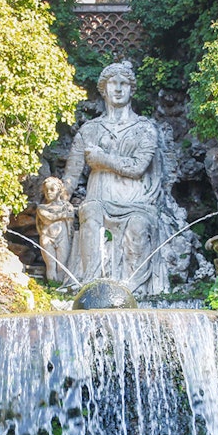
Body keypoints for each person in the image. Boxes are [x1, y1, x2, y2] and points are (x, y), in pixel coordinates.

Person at [62, 61, 175, 294]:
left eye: (124, 84)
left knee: (138, 226)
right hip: (99, 200)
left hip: (136, 204)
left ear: (131, 89)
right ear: (103, 89)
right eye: (113, 83)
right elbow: (71, 176)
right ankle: (91, 287)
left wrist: (102, 159)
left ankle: (133, 288)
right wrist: (58, 201)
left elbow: (137, 168)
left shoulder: (144, 128)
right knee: (89, 213)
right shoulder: (90, 130)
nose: (118, 89)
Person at [35, 177, 75, 284]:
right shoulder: (42, 207)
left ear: (60, 190)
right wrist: (63, 215)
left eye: (52, 189)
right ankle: (53, 286)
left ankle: (60, 289)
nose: (49, 192)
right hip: (47, 237)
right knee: (51, 265)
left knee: (62, 265)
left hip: (63, 236)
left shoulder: (67, 206)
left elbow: (71, 219)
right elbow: (48, 218)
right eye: (46, 190)